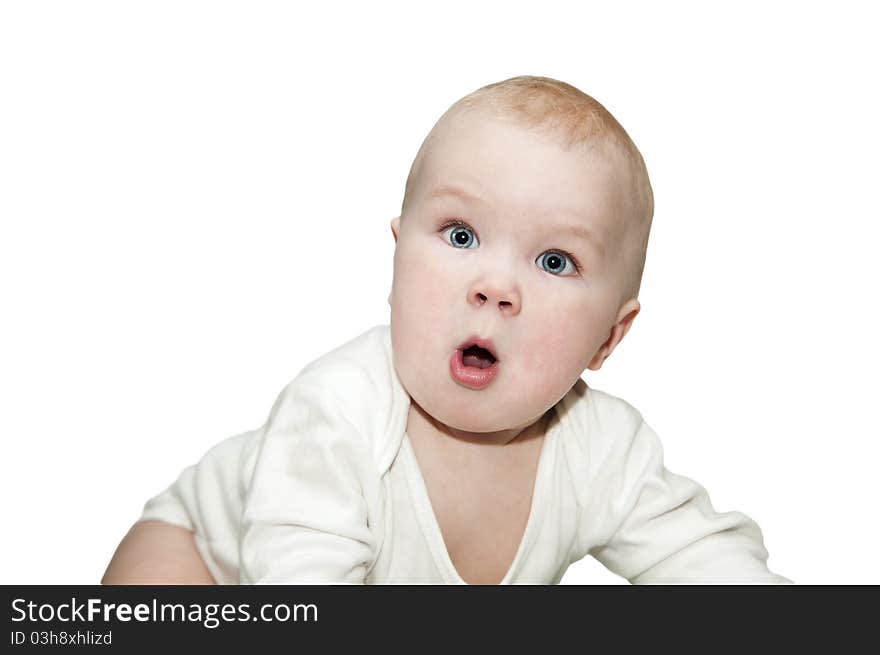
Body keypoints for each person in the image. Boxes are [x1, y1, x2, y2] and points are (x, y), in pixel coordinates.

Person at [102, 75, 790, 585]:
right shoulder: (340, 408)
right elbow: (297, 578)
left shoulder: (600, 449)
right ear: (398, 260)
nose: (493, 285)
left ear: (608, 339)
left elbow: (700, 554)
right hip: (206, 557)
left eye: (555, 260)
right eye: (460, 234)